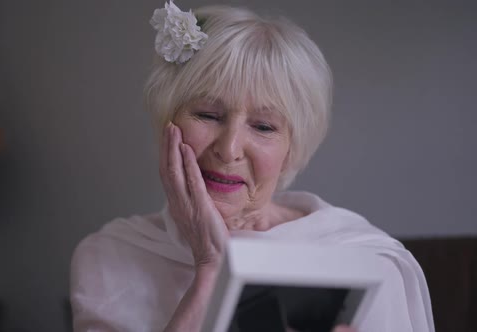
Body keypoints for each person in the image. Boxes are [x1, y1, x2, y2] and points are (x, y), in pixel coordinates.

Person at [70, 2, 434, 331]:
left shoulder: (363, 260)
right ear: (168, 122)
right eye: (208, 115)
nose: (228, 150)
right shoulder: (111, 255)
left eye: (263, 126)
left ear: (292, 147)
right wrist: (211, 268)